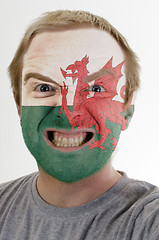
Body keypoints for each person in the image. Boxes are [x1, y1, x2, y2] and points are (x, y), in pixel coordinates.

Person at [0, 10, 159, 240]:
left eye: (95, 89)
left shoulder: (149, 220)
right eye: (44, 88)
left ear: (127, 110)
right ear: (19, 105)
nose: (69, 113)